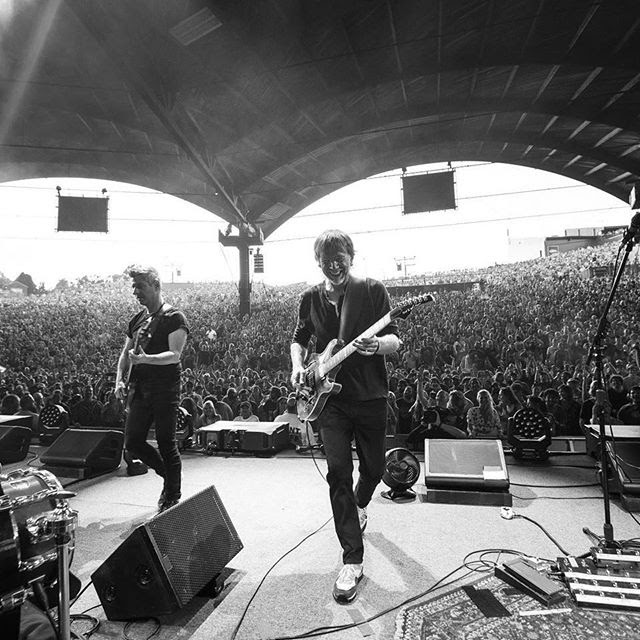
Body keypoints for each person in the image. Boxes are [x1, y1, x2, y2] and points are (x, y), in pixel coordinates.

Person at [290, 229, 399, 604]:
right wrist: (297, 367)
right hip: (329, 402)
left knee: (373, 469)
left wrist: (376, 346)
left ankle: (361, 503)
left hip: (370, 395)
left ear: (351, 257)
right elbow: (299, 337)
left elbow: (395, 340)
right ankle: (352, 559)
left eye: (341, 259)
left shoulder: (371, 291)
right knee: (338, 470)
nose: (334, 266)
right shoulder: (309, 298)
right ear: (317, 261)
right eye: (327, 260)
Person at [115, 265, 189, 513]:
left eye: (141, 286)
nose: (136, 292)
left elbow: (174, 355)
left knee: (166, 442)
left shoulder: (174, 317)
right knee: (133, 442)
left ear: (156, 286)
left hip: (165, 388)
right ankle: (168, 477)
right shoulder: (137, 319)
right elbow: (125, 354)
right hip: (139, 388)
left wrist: (147, 359)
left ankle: (172, 494)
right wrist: (119, 380)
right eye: (134, 287)